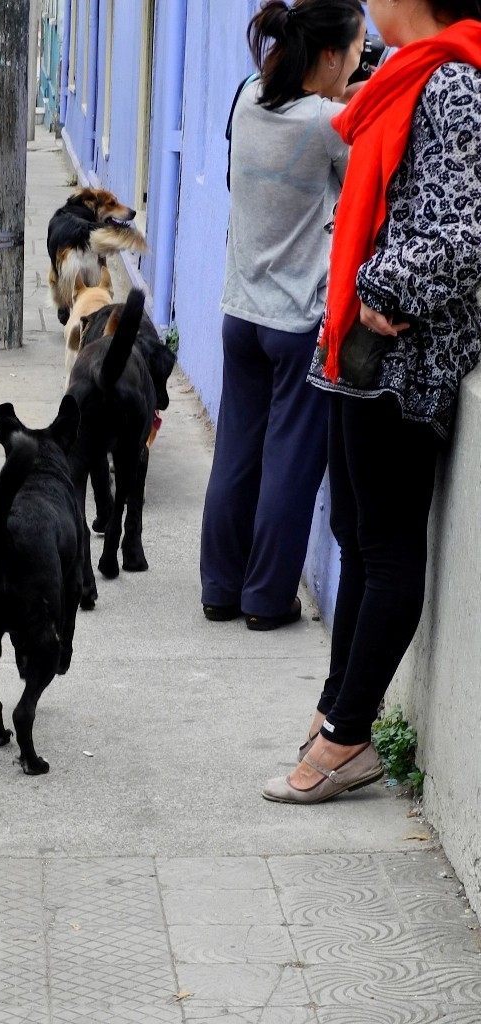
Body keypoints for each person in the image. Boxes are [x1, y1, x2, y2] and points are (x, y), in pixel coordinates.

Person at [263, 0, 481, 802]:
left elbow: (462, 230)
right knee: (354, 534)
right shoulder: (400, 74)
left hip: (403, 353)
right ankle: (335, 712)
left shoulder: (455, 82)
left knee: (384, 549)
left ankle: (349, 737)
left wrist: (379, 286)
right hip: (355, 348)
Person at [199, 0, 367, 632]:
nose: (359, 59)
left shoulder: (246, 97)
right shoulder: (331, 120)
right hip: (298, 324)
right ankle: (267, 601)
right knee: (290, 466)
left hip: (240, 313)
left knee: (236, 454)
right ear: (331, 55)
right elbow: (363, 176)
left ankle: (220, 587)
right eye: (355, 50)